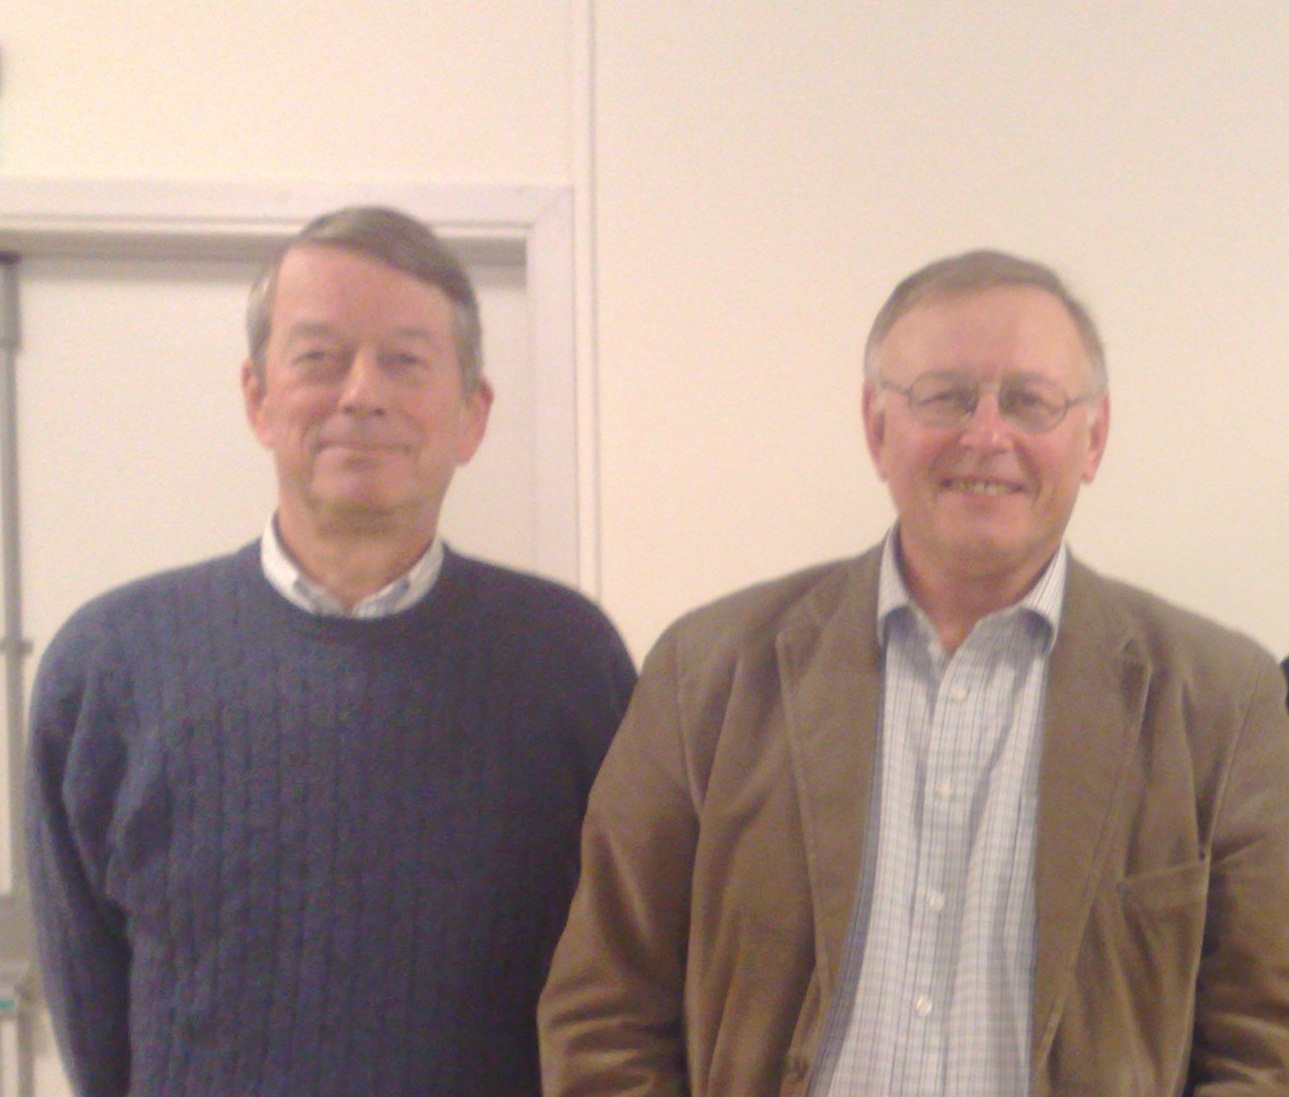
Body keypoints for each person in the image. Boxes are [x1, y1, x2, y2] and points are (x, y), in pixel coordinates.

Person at [538, 250, 1289, 1095]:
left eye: (1030, 400)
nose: (986, 435)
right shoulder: (705, 673)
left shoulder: (1222, 702)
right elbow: (604, 1011)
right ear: (876, 427)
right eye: (944, 396)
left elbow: (1264, 1049)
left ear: (1093, 437)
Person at [26, 206, 636, 1097]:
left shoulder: (570, 662)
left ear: (471, 415)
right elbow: (92, 1015)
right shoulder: (107, 669)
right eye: (319, 357)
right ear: (257, 398)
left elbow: (622, 985)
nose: (361, 394)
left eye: (405, 361)